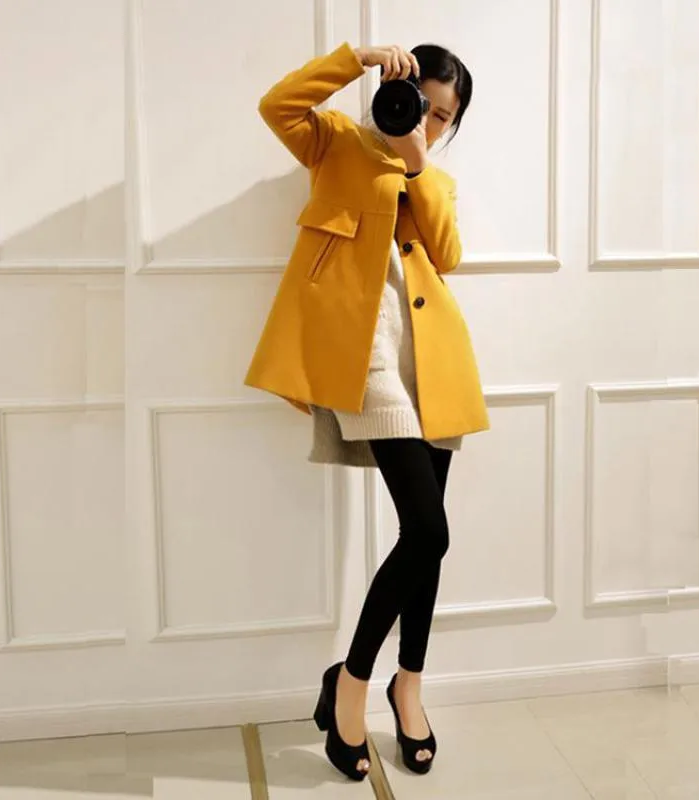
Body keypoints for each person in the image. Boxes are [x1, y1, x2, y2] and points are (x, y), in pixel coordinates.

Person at [244, 41, 489, 781]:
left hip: (432, 360)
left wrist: (417, 166)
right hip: (367, 361)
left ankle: (407, 686)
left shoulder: (434, 178)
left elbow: (447, 254)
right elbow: (277, 106)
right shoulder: (335, 144)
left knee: (426, 538)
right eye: (421, 105)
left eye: (443, 117)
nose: (428, 123)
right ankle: (351, 681)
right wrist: (355, 59)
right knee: (429, 530)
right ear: (396, 91)